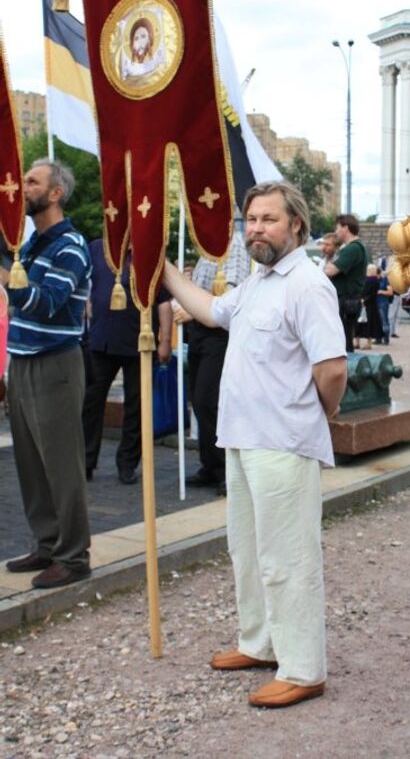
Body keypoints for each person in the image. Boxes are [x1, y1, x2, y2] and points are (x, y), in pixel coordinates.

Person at [163, 180, 347, 709]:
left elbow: (331, 367)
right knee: (248, 550)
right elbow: (211, 310)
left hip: (282, 442)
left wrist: (320, 415)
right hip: (243, 439)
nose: (256, 229)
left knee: (287, 556)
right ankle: (261, 643)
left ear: (296, 225)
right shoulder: (260, 282)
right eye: (251, 220)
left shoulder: (307, 284)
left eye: (268, 218)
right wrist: (163, 269)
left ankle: (304, 668)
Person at [2, 159, 92, 588]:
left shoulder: (70, 245)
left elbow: (45, 302)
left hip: (55, 363)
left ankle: (73, 558)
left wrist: (3, 273)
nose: (23, 187)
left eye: (32, 181)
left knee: (61, 464)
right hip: (22, 361)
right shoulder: (33, 244)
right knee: (32, 463)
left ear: (55, 193)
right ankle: (48, 543)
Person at [82, 240, 173, 484]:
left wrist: (165, 340)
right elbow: (84, 282)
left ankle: (127, 464)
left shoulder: (147, 250)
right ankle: (86, 462)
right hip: (102, 340)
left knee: (137, 406)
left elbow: (163, 302)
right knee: (91, 403)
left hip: (139, 342)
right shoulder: (96, 249)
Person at [173, 231, 250, 496]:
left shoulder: (233, 242)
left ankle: (227, 469)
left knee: (210, 400)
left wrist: (195, 308)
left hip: (219, 332)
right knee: (198, 398)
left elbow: (233, 288)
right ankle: (210, 465)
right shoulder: (207, 246)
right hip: (200, 331)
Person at [324, 213, 368, 353]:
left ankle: (345, 373)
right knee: (344, 340)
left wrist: (331, 262)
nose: (336, 232)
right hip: (349, 301)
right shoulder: (357, 246)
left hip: (346, 301)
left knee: (342, 342)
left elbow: (330, 271)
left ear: (345, 228)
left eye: (337, 228)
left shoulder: (352, 248)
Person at [375, 266, 393, 345]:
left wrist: (381, 292)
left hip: (383, 303)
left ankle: (386, 339)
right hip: (376, 302)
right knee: (377, 321)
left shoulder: (385, 280)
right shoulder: (375, 280)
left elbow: (390, 292)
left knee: (384, 321)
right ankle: (378, 338)